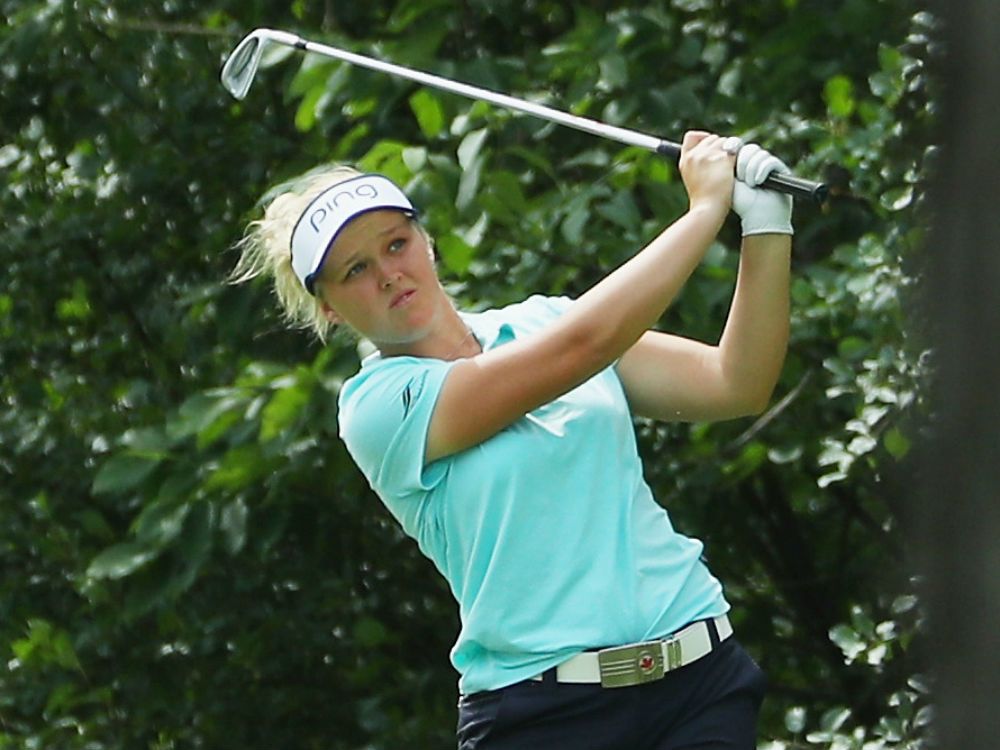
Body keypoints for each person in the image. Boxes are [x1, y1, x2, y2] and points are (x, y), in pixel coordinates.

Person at [231, 130, 793, 749]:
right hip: (544, 717)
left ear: (427, 241)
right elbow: (584, 346)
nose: (390, 274)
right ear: (330, 307)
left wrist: (765, 226)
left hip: (697, 681)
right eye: (356, 269)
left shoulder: (542, 320)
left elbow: (735, 382)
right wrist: (706, 210)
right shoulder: (377, 409)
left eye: (396, 244)